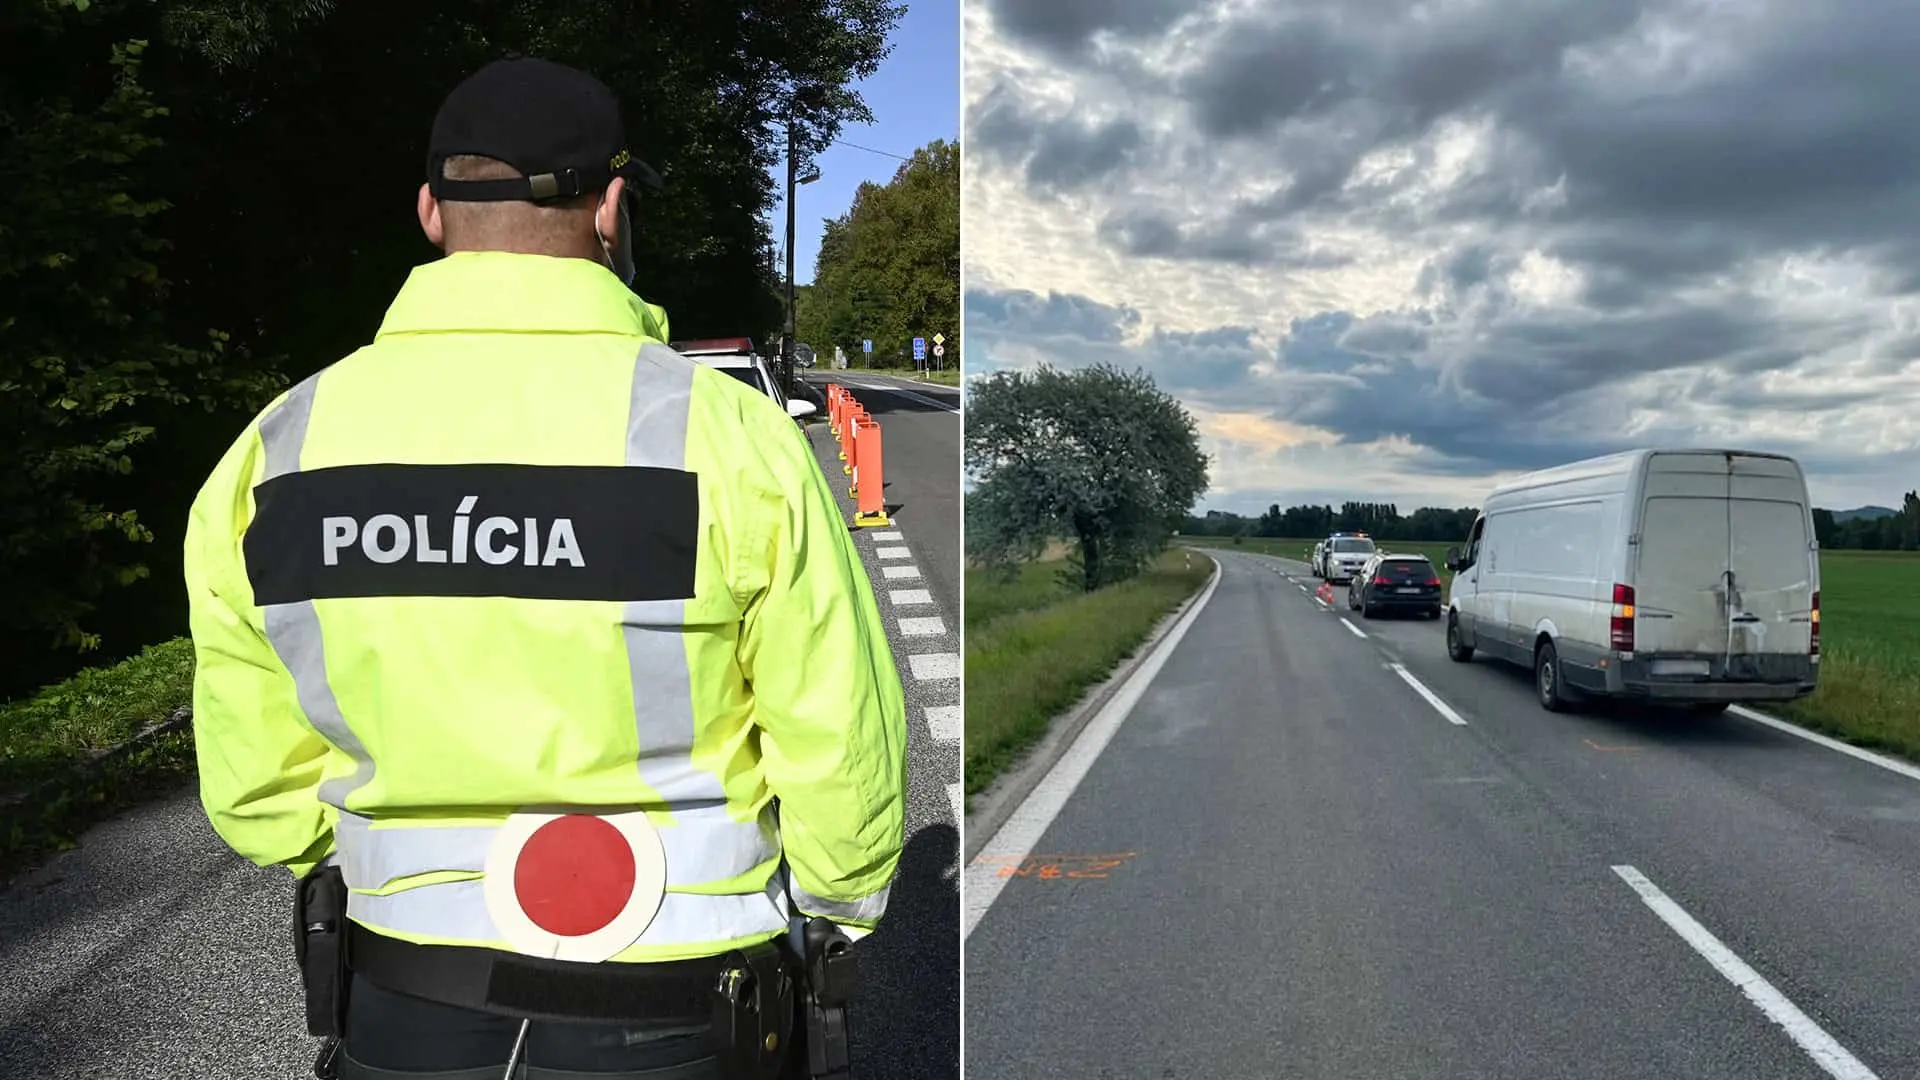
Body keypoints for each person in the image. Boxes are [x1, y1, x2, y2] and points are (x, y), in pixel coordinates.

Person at [183, 56, 907, 1080]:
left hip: (401, 999)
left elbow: (254, 772)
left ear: (431, 212)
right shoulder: (723, 434)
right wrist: (837, 907)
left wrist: (363, 862)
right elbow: (836, 728)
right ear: (610, 211)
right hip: (683, 995)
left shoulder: (280, 446)